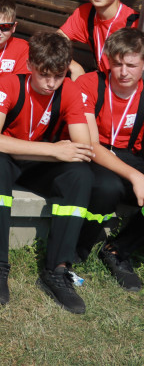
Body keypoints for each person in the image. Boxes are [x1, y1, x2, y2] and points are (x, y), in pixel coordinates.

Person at [0, 32, 93, 313]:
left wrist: (52, 152)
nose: (51, 83)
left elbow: (83, 146)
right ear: (29, 65)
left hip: (33, 162)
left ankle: (57, 268)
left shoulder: (69, 90)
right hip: (7, 159)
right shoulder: (9, 83)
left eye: (59, 75)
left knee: (80, 175)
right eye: (44, 75)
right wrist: (52, 151)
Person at [76, 28, 144, 292]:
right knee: (108, 187)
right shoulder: (89, 83)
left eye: (131, 65)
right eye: (117, 64)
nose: (123, 71)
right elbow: (90, 145)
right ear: (107, 61)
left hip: (130, 155)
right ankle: (79, 250)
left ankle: (117, 250)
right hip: (94, 153)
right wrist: (136, 176)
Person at [60, 0, 139, 79]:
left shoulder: (135, 22)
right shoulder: (85, 12)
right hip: (101, 82)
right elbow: (55, 40)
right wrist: (73, 66)